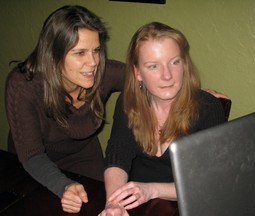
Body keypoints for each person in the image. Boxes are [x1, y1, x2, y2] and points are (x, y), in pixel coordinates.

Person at [5, 5, 125, 213]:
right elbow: (32, 154)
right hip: (33, 159)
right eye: (80, 53)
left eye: (96, 50)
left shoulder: (103, 74)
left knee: (99, 204)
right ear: (53, 54)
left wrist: (194, 94)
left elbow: (150, 78)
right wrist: (64, 186)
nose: (93, 62)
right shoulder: (23, 85)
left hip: (84, 153)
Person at [99, 22, 226, 216]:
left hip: (187, 206)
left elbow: (210, 180)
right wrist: (114, 202)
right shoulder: (128, 101)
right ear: (138, 73)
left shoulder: (207, 108)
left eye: (175, 62)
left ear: (184, 64)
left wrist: (152, 190)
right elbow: (117, 155)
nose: (167, 75)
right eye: (153, 66)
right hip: (138, 206)